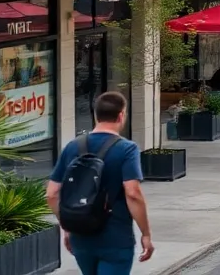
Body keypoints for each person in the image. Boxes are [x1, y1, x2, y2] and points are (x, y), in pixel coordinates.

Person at [46, 91, 153, 275]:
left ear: (95, 115)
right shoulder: (127, 149)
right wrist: (146, 233)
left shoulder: (73, 146)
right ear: (121, 115)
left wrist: (67, 226)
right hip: (116, 238)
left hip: (81, 236)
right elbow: (133, 193)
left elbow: (51, 194)